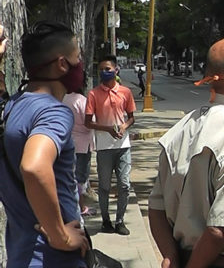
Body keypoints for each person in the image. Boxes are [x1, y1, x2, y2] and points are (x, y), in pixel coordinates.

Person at [149, 37, 224, 268]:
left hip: (182, 256)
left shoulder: (181, 129)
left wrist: (170, 257)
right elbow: (218, 230)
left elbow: (156, 208)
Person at [0, 21, 89, 267]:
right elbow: (34, 168)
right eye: (77, 57)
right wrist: (61, 236)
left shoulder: (11, 107)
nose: (80, 64)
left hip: (21, 254)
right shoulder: (53, 112)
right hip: (52, 257)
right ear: (62, 64)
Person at [85, 54, 136, 236]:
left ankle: (120, 220)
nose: (104, 72)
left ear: (116, 70)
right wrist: (107, 129)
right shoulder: (93, 94)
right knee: (104, 187)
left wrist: (124, 126)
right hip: (104, 148)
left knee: (124, 185)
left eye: (108, 69)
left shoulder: (125, 92)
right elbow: (88, 122)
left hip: (123, 146)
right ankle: (106, 221)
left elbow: (131, 118)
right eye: (101, 70)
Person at [63, 90, 96, 217]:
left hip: (66, 143)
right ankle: (80, 208)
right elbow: (90, 123)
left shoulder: (62, 98)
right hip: (82, 145)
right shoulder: (82, 101)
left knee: (69, 177)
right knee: (80, 179)